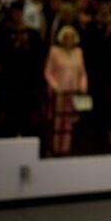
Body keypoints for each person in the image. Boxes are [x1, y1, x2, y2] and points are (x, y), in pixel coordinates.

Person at [44, 25, 88, 156]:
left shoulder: (78, 52)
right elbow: (48, 72)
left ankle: (65, 149)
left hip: (72, 92)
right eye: (66, 37)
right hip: (58, 92)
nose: (68, 39)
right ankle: (53, 148)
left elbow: (82, 73)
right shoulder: (54, 51)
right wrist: (55, 86)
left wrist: (82, 87)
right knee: (56, 121)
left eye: (71, 37)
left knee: (68, 122)